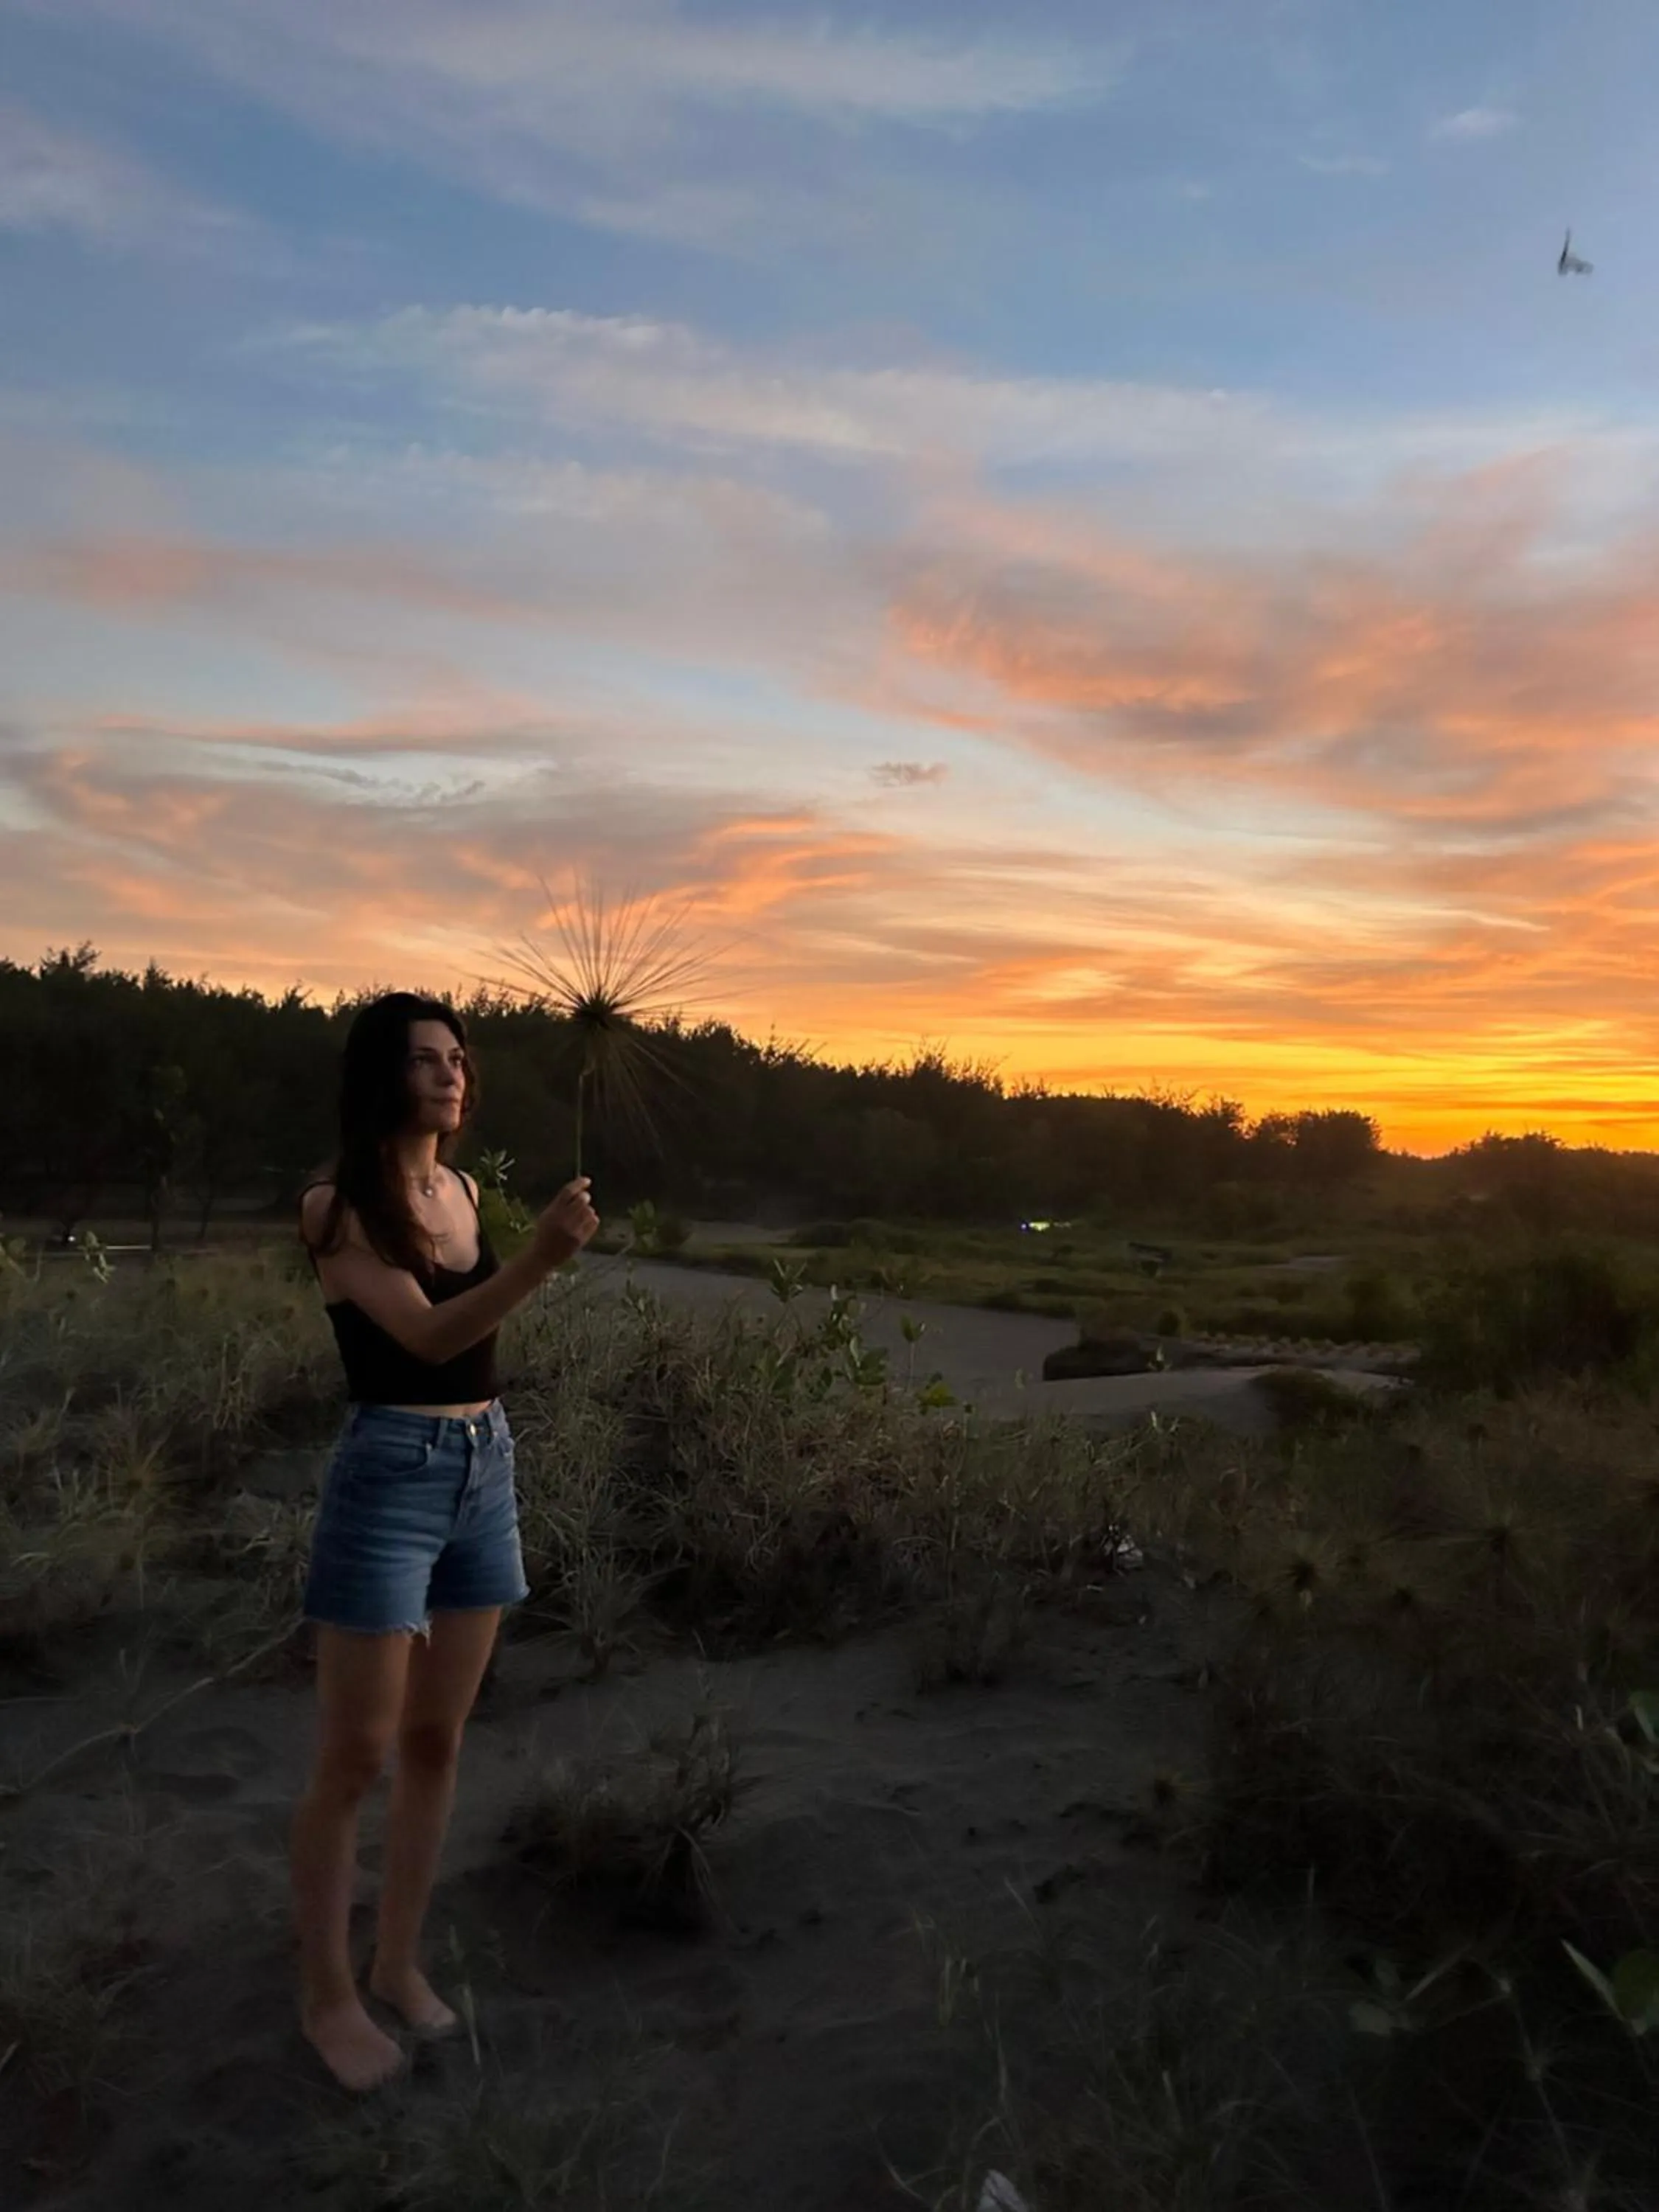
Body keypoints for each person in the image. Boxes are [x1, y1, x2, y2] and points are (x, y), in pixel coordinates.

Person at [292, 991, 599, 2091]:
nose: (450, 1074)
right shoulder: (337, 1207)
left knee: (436, 1742)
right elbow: (424, 1339)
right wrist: (541, 1264)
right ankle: (326, 1997)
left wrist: (524, 1258)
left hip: (487, 1468)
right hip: (390, 1476)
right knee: (356, 1754)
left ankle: (396, 1962)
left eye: (458, 1058)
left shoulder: (462, 1191)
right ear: (381, 1074)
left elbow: (473, 1348)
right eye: (425, 1059)